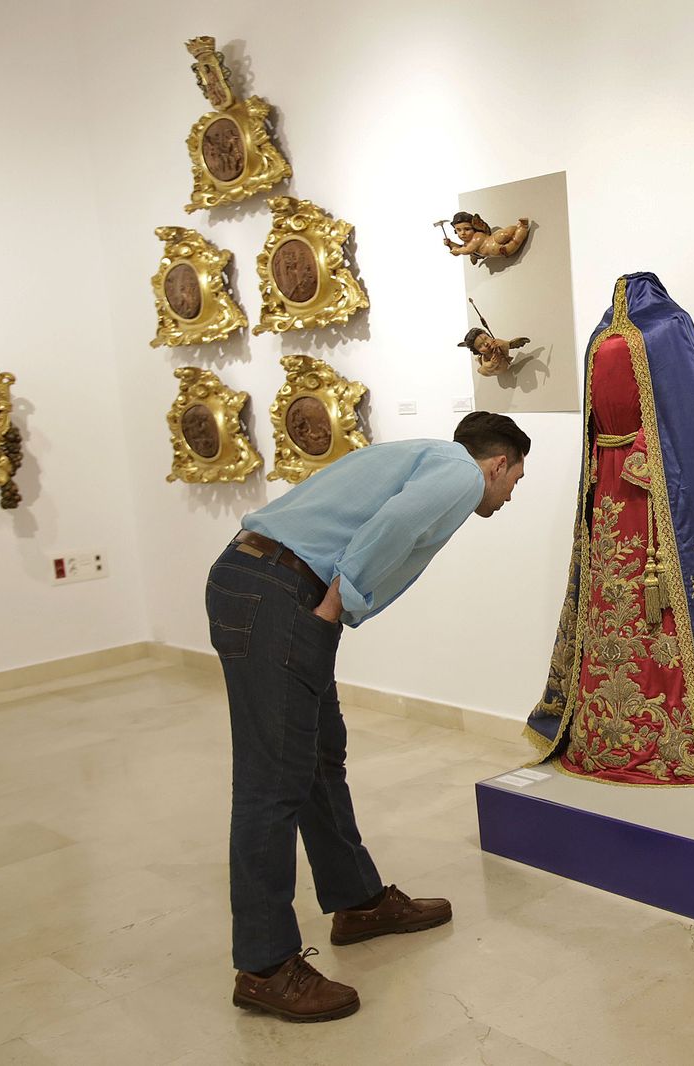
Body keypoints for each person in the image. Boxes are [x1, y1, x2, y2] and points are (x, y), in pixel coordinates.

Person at [205, 411, 530, 1022]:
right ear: (497, 464)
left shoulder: (425, 454)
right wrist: (339, 599)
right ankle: (265, 966)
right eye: (514, 481)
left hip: (261, 581)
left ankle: (358, 901)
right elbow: (398, 524)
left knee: (320, 759)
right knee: (271, 783)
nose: (509, 495)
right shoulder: (461, 472)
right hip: (280, 594)